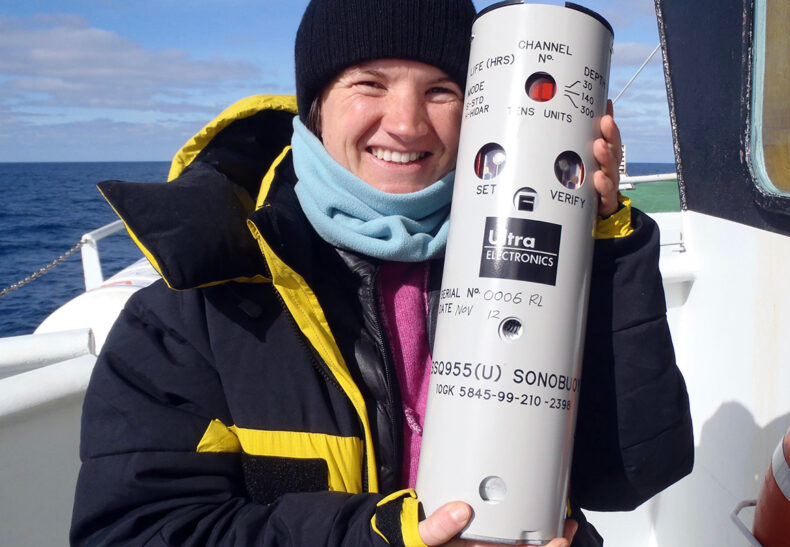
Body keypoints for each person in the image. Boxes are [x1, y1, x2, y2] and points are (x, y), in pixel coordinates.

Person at [70, 0, 694, 545]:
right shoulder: (195, 304)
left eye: (441, 90)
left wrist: (607, 247)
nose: (406, 123)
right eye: (369, 84)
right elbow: (136, 530)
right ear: (315, 106)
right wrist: (389, 539)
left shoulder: (536, 262)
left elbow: (629, 473)